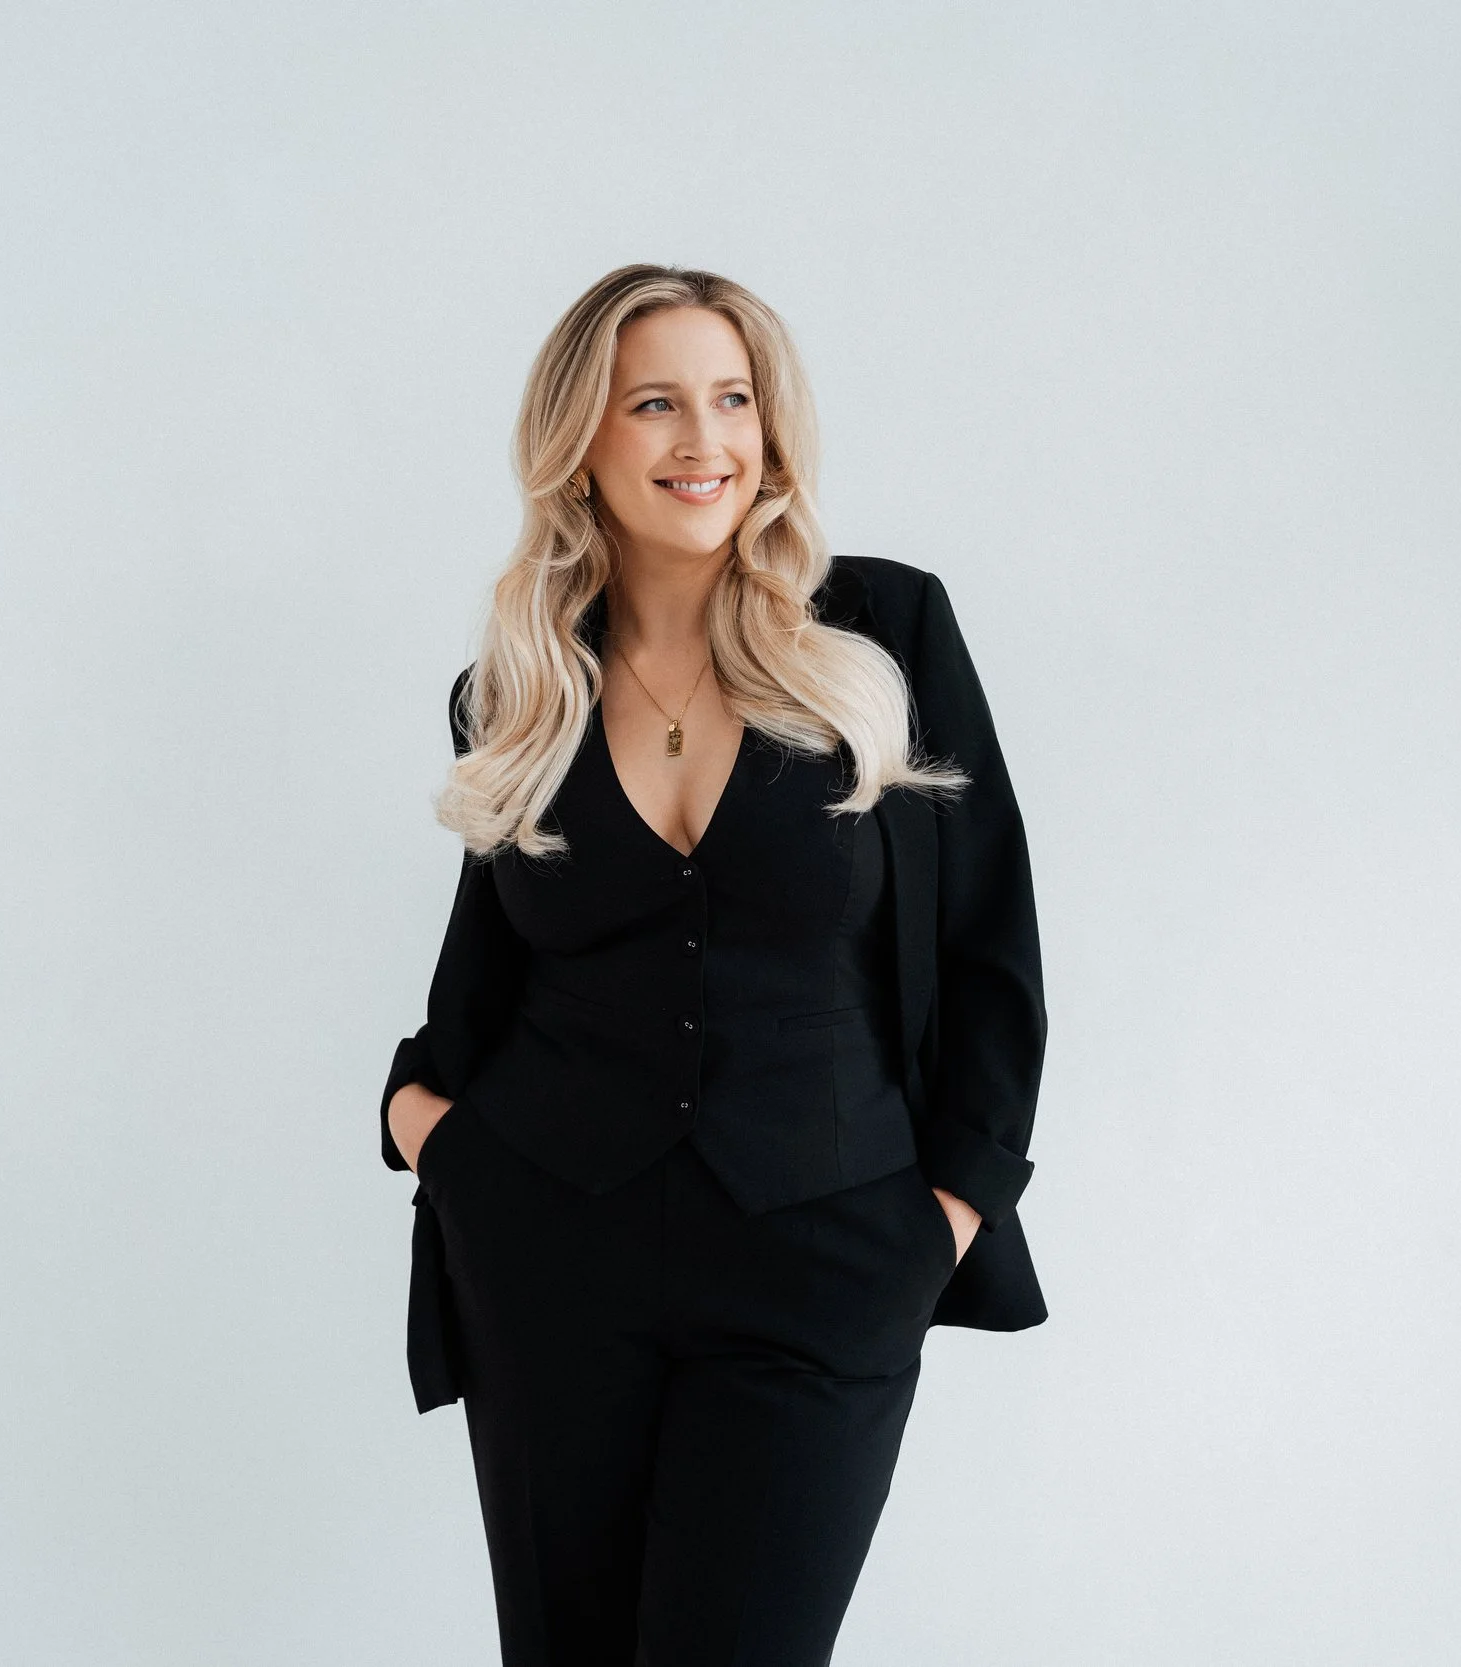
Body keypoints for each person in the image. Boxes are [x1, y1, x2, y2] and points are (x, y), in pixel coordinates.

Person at [378, 263, 1047, 1666]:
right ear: (584, 441)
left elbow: (989, 940)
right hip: (554, 1263)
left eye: (734, 399)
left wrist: (952, 1211)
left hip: (827, 1255)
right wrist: (425, 1128)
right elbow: (487, 972)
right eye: (658, 403)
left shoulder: (883, 637)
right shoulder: (520, 689)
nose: (707, 441)